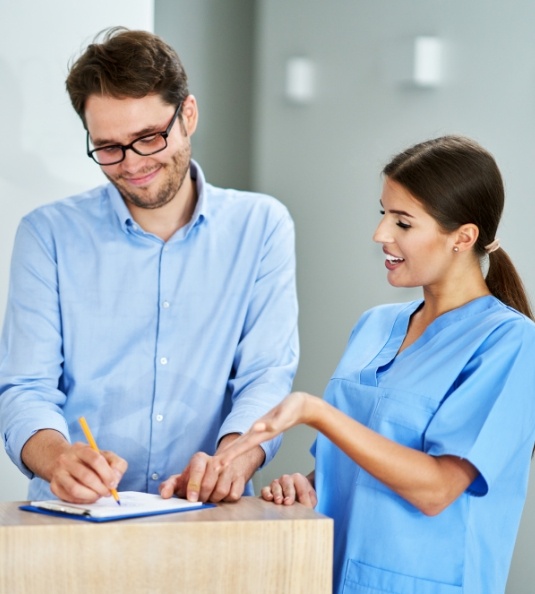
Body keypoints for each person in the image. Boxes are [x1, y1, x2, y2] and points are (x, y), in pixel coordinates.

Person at [215, 135, 535, 594]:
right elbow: (357, 466)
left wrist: (317, 413)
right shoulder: (374, 325)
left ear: (463, 238)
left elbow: (437, 489)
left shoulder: (510, 342)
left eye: (403, 222)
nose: (381, 234)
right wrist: (306, 485)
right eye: (382, 213)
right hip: (328, 576)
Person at [0, 27, 298, 505]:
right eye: (109, 147)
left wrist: (231, 461)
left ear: (189, 115)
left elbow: (266, 377)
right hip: (79, 521)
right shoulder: (47, 235)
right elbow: (25, 388)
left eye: (149, 138)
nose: (132, 163)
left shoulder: (261, 226)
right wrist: (57, 458)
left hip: (206, 513)